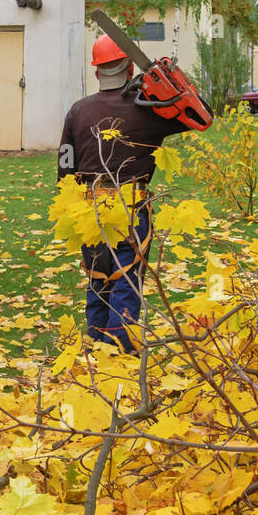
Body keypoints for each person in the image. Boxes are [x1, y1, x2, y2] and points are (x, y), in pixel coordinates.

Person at [57, 35, 193, 351]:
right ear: (130, 67)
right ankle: (119, 350)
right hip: (130, 205)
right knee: (126, 279)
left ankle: (96, 345)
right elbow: (199, 117)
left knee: (98, 279)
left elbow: (65, 167)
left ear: (96, 73)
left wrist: (73, 209)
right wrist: (171, 85)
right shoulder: (150, 111)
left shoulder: (77, 111)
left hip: (88, 206)